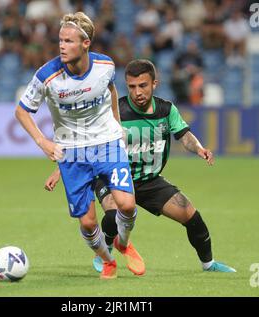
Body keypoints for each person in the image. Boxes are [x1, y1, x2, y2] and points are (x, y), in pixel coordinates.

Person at [45, 59, 236, 273]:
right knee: (113, 215)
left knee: (191, 216)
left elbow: (184, 135)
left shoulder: (166, 110)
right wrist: (60, 170)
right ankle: (106, 251)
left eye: (143, 85)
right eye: (132, 87)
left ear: (155, 83)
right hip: (112, 175)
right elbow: (84, 142)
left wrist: (199, 149)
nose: (137, 92)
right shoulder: (114, 111)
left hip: (148, 180)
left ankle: (208, 265)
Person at [15, 12, 145, 280]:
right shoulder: (46, 76)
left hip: (106, 142)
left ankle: (122, 242)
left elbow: (109, 90)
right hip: (71, 151)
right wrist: (43, 142)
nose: (62, 46)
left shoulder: (105, 65)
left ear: (85, 43)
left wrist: (117, 127)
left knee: (127, 205)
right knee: (87, 222)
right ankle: (107, 260)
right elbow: (22, 111)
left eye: (69, 41)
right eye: (60, 40)